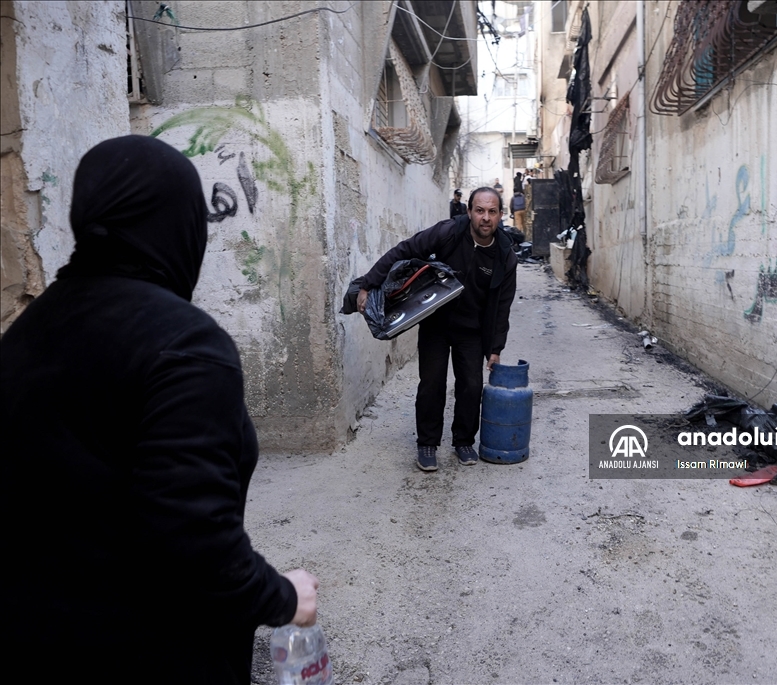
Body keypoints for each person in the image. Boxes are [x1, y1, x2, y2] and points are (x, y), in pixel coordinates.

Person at [0, 136, 318, 684]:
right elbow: (194, 541)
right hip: (153, 651)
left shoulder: (26, 333)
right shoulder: (187, 346)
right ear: (180, 223)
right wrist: (284, 597)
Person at [357, 187, 518, 471]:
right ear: (469, 212)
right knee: (432, 384)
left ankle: (463, 440)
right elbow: (404, 249)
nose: (485, 218)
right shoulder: (448, 233)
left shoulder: (505, 256)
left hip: (472, 330)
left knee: (470, 386)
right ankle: (427, 443)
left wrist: (495, 348)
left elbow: (502, 306)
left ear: (500, 216)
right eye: (479, 210)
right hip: (437, 323)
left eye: (492, 212)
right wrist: (368, 283)